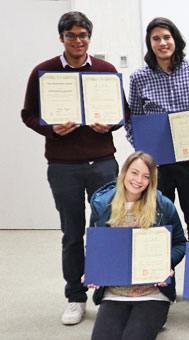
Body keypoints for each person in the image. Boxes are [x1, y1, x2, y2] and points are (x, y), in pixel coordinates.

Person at [20, 11, 123, 325]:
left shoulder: (105, 70)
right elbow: (28, 114)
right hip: (64, 166)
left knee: (107, 231)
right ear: (62, 38)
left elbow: (122, 114)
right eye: (71, 36)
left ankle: (107, 292)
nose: (78, 41)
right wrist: (51, 129)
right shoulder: (44, 72)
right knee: (72, 233)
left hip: (103, 163)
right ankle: (75, 297)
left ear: (89, 37)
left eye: (83, 35)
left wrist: (111, 123)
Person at [86, 152, 187, 340]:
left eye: (146, 176)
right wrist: (93, 270)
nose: (138, 180)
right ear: (124, 172)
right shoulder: (102, 206)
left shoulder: (163, 206)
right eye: (134, 173)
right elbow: (95, 247)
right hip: (114, 293)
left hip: (153, 294)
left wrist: (166, 263)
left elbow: (180, 243)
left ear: (152, 180)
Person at [127, 17, 189, 242]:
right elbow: (133, 121)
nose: (162, 43)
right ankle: (161, 274)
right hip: (156, 165)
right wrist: (144, 152)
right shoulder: (138, 78)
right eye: (156, 39)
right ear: (150, 43)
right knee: (157, 221)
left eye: (166, 37)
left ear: (176, 40)